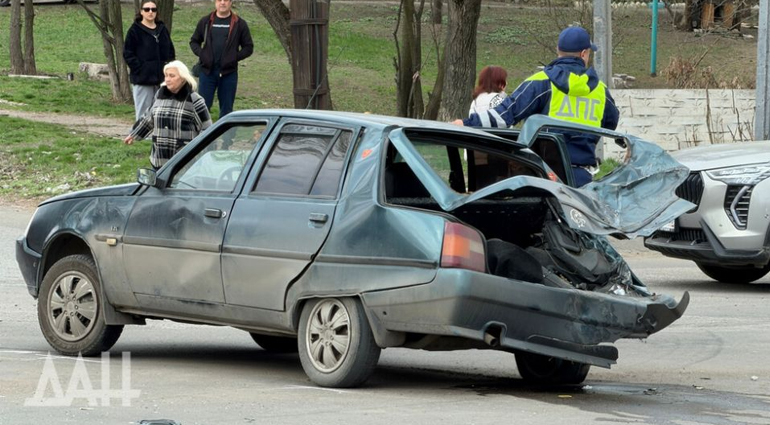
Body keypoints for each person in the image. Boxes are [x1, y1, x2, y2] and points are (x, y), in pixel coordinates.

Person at [453, 26, 619, 187]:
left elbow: (504, 115)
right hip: (583, 180)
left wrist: (465, 124)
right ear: (584, 54)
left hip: (546, 178)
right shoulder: (601, 91)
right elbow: (609, 126)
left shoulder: (540, 82)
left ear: (558, 50)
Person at [124, 61, 213, 170]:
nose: (167, 79)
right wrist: (133, 134)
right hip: (159, 159)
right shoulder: (159, 95)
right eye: (166, 75)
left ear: (183, 78)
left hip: (184, 162)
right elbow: (149, 118)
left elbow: (208, 129)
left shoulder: (195, 100)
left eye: (172, 76)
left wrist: (197, 151)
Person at [189, 0, 254, 119]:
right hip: (207, 72)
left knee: (227, 109)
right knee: (202, 108)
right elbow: (194, 41)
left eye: (226, 0)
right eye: (219, 0)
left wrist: (233, 58)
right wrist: (202, 54)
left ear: (231, 2)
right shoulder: (206, 21)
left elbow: (248, 47)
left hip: (228, 73)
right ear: (215, 2)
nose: (222, 3)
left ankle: (227, 137)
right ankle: (202, 136)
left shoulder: (239, 23)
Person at [123, 1, 176, 121]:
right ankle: (142, 137)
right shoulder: (134, 31)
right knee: (144, 112)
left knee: (162, 111)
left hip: (162, 79)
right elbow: (127, 53)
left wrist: (169, 68)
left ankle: (159, 136)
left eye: (153, 9)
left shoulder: (162, 30)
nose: (150, 12)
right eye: (147, 9)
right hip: (143, 79)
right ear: (141, 12)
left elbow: (170, 51)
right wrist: (140, 68)